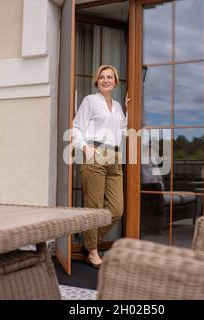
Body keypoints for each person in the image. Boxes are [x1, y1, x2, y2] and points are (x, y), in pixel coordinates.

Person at [72, 65, 129, 269]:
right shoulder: (90, 100)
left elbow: (121, 130)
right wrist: (85, 148)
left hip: (114, 156)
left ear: (116, 82)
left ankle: (87, 241)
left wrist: (129, 110)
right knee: (93, 207)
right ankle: (93, 252)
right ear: (97, 81)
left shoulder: (117, 107)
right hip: (95, 152)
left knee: (116, 209)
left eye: (110, 77)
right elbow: (76, 127)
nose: (106, 80)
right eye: (102, 77)